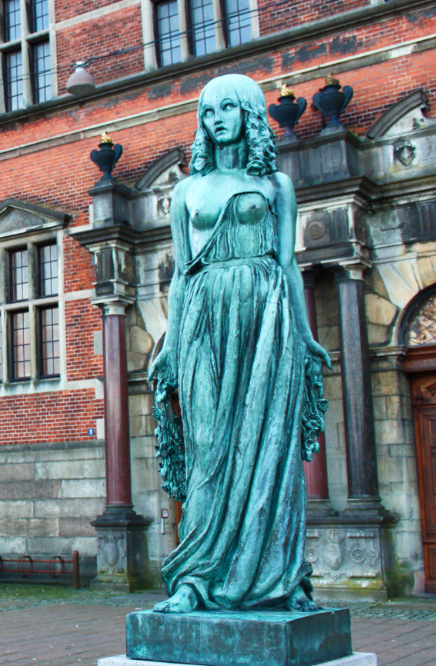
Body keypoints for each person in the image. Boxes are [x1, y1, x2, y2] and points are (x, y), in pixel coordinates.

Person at [148, 74, 330, 613]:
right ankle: (194, 580)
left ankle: (278, 579)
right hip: (203, 320)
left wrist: (304, 333)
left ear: (249, 113)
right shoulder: (188, 190)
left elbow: (288, 263)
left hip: (264, 319)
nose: (217, 120)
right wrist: (170, 344)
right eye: (208, 112)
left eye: (227, 108)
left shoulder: (276, 185)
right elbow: (181, 274)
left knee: (267, 442)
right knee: (208, 446)